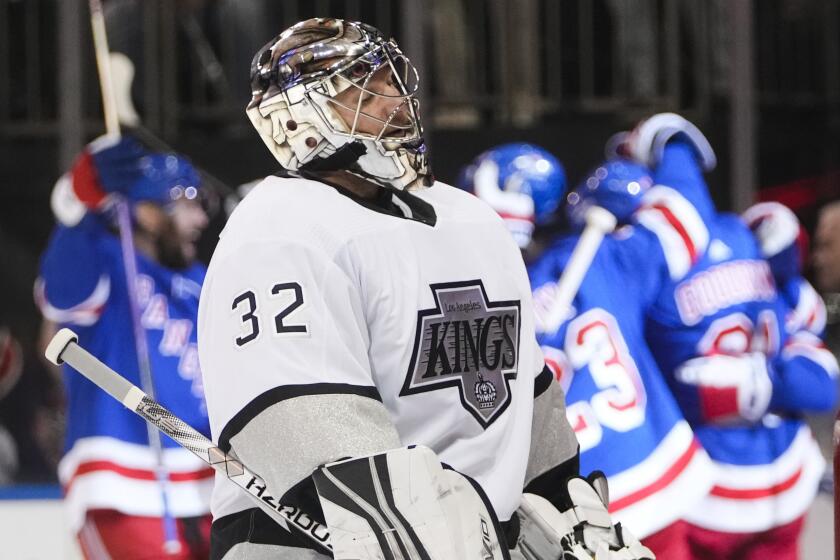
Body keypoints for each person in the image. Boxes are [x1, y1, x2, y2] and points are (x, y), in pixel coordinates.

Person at [198, 18, 653, 560]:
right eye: (362, 87)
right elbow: (298, 426)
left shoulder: (472, 219)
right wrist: (406, 528)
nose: (393, 97)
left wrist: (566, 512)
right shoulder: (278, 231)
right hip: (317, 545)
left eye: (391, 78)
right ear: (300, 123)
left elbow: (526, 396)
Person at [462, 144, 716, 559]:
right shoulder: (598, 257)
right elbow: (684, 224)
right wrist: (669, 143)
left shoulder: (473, 300)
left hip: (567, 502)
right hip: (653, 468)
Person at [616, 113, 838, 559]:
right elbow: (816, 377)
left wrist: (751, 383)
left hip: (710, 478)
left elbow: (819, 377)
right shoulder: (745, 233)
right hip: (758, 472)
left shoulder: (640, 264)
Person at [36, 134, 214, 559]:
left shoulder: (202, 279)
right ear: (148, 213)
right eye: (187, 203)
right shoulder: (105, 260)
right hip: (126, 485)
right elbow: (63, 291)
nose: (200, 219)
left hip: (212, 486)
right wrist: (77, 205)